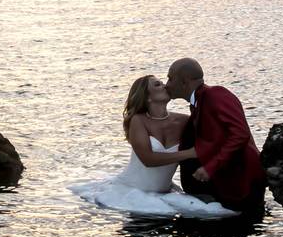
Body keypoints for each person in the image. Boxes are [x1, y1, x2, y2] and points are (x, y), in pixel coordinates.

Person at [70, 75, 240, 218]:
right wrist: (189, 153)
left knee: (217, 213)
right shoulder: (138, 120)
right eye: (158, 84)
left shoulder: (183, 121)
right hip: (131, 190)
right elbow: (148, 159)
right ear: (147, 97)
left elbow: (213, 138)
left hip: (165, 191)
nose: (165, 85)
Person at [166, 58, 267, 216]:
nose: (167, 84)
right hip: (229, 183)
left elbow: (240, 134)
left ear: (184, 81)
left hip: (244, 181)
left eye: (170, 78)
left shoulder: (216, 94)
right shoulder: (199, 102)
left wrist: (210, 167)